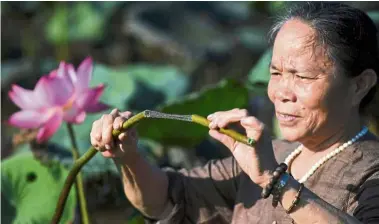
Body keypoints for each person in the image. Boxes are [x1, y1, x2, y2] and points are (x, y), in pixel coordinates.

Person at [90, 2, 379, 223]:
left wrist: (274, 181)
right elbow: (164, 199)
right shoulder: (273, 154)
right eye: (275, 73)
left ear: (359, 85)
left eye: (302, 77)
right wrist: (128, 157)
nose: (281, 92)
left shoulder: (370, 169)